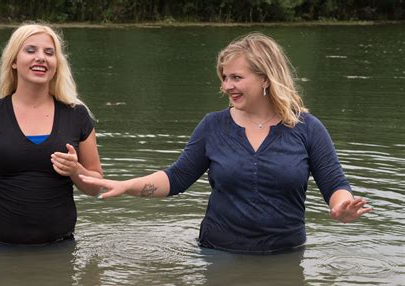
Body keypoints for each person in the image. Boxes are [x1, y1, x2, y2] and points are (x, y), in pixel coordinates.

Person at [80, 33, 372, 254]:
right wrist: (126, 186)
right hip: (217, 254)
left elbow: (334, 183)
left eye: (236, 77)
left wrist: (342, 206)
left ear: (266, 78)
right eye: (224, 77)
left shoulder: (307, 128)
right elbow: (176, 178)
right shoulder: (213, 126)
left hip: (284, 257)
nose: (226, 86)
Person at [0, 23, 103, 244]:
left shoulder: (77, 116)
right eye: (30, 50)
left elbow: (97, 187)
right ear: (13, 61)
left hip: (59, 250)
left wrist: (76, 170)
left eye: (49, 53)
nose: (41, 58)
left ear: (56, 64)